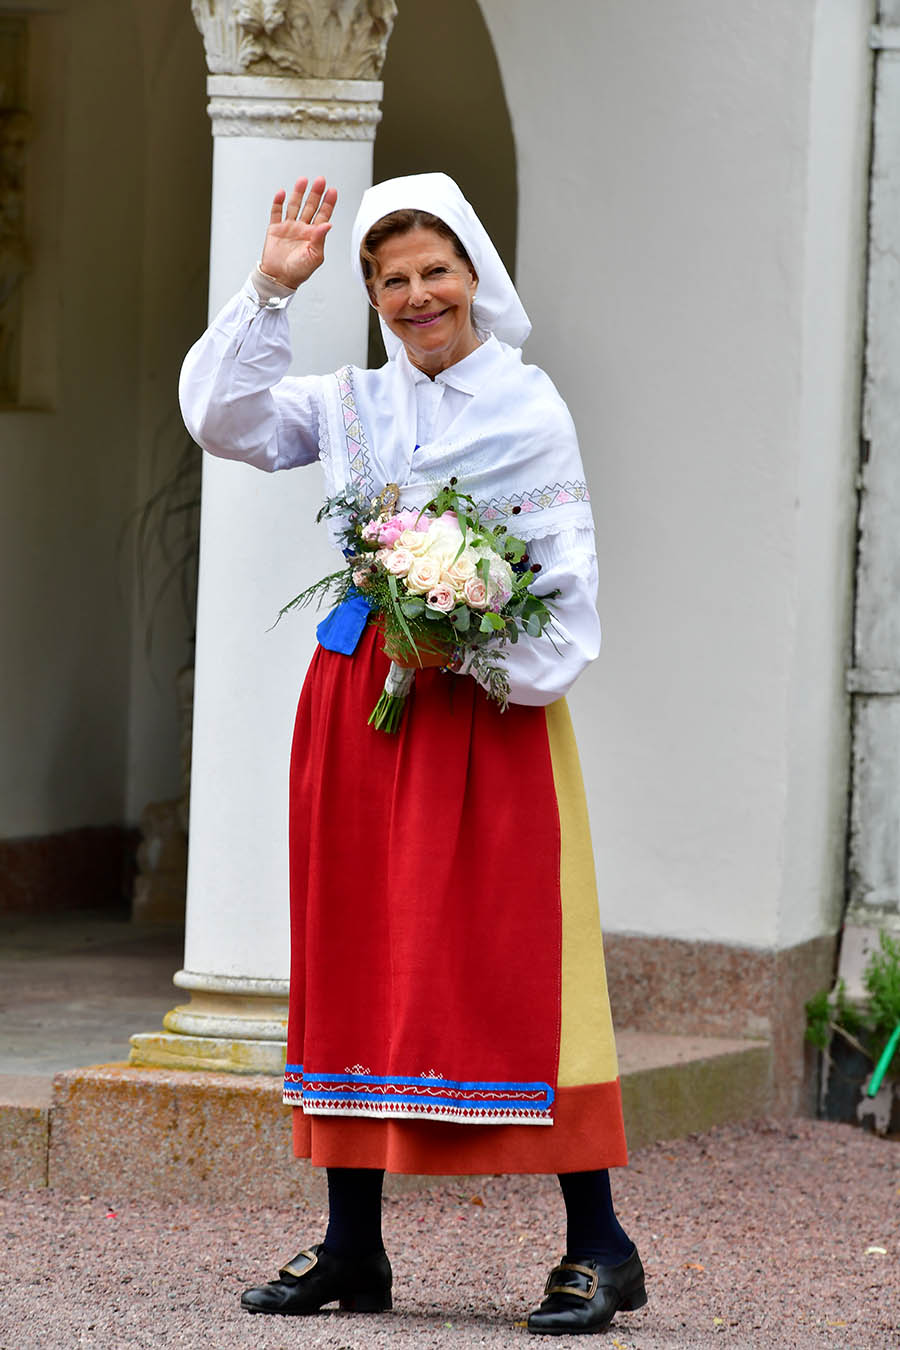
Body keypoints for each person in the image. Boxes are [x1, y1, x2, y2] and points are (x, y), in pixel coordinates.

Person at [179, 172, 646, 1335]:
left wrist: (478, 635)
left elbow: (563, 582)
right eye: (391, 279)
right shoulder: (349, 404)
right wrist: (270, 289)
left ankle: (602, 1244)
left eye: (435, 270)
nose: (417, 295)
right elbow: (224, 421)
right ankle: (351, 1247)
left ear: (475, 274)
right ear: (374, 298)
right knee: (352, 953)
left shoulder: (528, 411)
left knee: (513, 961)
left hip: (482, 713)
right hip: (356, 701)